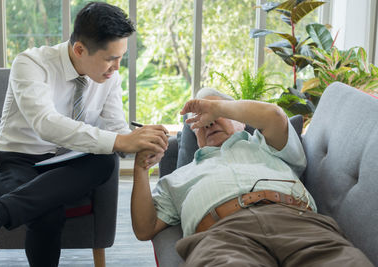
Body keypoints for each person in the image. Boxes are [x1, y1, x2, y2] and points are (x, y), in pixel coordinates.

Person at [0, 2, 168, 266]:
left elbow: (116, 129)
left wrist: (144, 143)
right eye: (110, 58)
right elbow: (45, 123)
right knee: (48, 215)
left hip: (68, 164)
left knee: (104, 161)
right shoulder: (31, 63)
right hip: (18, 161)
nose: (116, 67)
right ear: (79, 49)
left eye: (120, 57)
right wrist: (120, 140)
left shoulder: (110, 78)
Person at [131, 87, 373, 266]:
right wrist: (140, 168)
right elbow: (145, 228)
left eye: (215, 113)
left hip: (298, 223)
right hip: (223, 235)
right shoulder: (178, 177)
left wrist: (217, 106)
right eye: (198, 121)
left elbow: (275, 116)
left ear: (240, 121)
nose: (208, 122)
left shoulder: (268, 144)